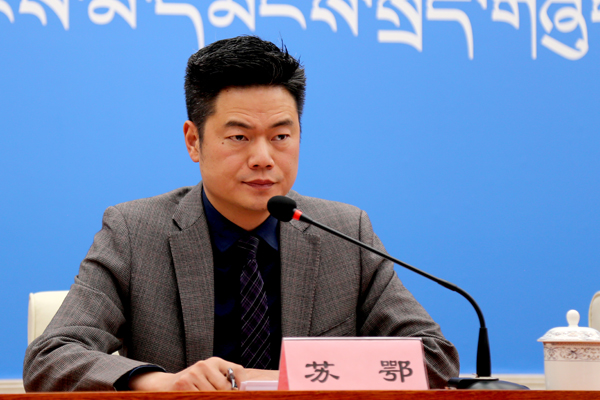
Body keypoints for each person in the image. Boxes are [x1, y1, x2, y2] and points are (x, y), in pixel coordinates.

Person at [23, 35, 459, 392]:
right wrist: (165, 383)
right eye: (239, 137)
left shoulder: (345, 233)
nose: (263, 158)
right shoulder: (135, 233)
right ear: (193, 141)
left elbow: (434, 358)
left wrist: (278, 381)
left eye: (281, 136)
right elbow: (50, 358)